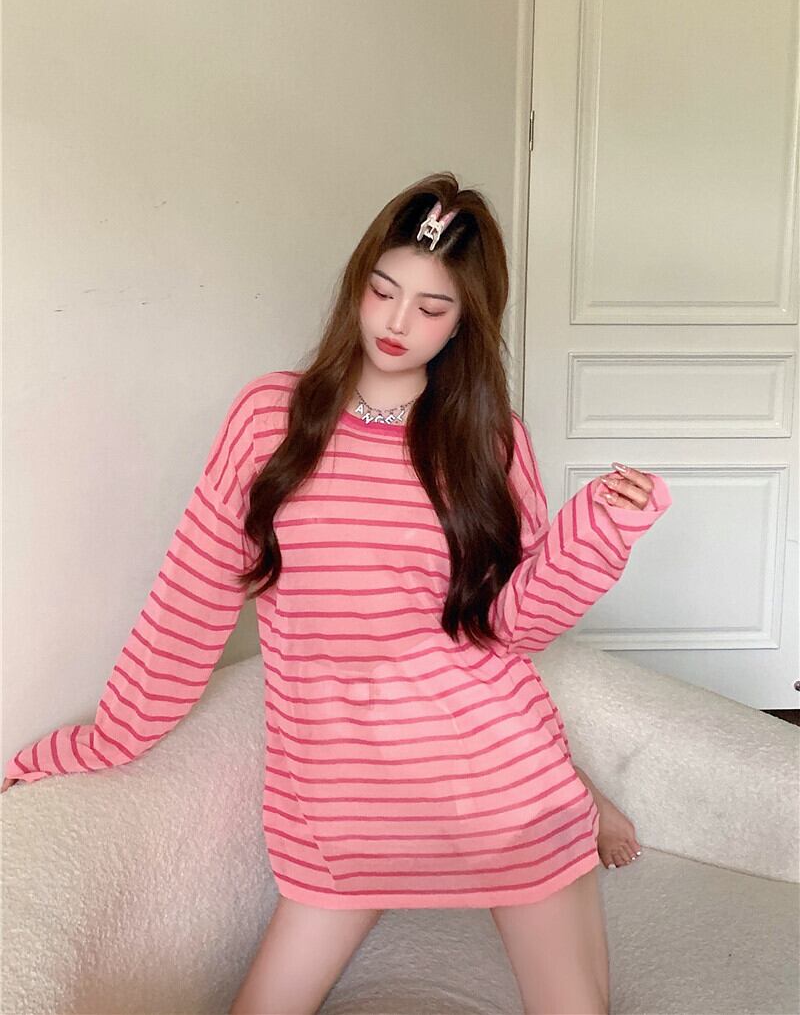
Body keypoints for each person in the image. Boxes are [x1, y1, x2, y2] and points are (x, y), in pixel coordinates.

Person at [3, 172, 671, 1015]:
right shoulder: (269, 418)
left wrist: (601, 530)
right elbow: (187, 603)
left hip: (498, 776)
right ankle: (581, 794)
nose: (396, 322)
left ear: (466, 323)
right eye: (382, 290)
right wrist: (105, 740)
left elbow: (512, 625)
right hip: (342, 789)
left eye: (432, 308)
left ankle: (571, 794)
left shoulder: (490, 441)